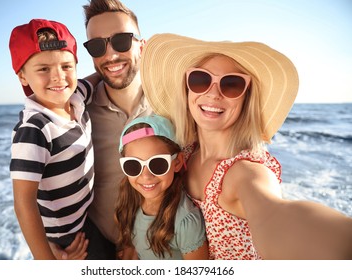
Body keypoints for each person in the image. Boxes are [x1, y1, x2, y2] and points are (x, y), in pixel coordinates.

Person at [140, 33, 352, 259]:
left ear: (246, 97)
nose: (213, 93)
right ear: (187, 89)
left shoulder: (245, 173)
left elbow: (275, 215)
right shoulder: (185, 152)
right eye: (200, 80)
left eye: (232, 84)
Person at [50, 0, 153, 259]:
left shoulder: (174, 106)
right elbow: (44, 181)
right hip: (96, 247)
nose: (110, 55)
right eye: (97, 46)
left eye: (121, 41)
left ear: (143, 46)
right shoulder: (75, 112)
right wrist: (48, 245)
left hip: (160, 246)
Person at [9, 19, 101, 259]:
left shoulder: (77, 95)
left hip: (85, 215)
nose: (59, 77)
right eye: (43, 69)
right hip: (64, 236)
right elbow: (23, 203)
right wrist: (48, 262)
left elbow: (96, 78)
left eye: (66, 66)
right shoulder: (34, 129)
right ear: (23, 77)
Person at [115, 115, 209, 259]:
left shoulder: (185, 222)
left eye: (158, 164)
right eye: (133, 165)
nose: (146, 176)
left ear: (177, 162)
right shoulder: (130, 202)